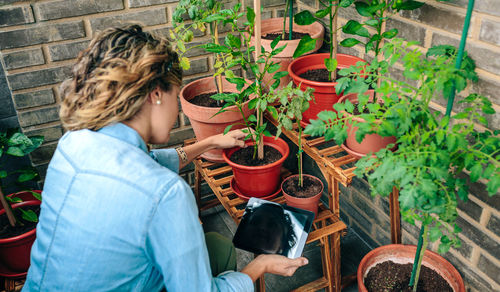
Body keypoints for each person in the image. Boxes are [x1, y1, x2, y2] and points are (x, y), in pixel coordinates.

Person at [22, 24, 307, 291]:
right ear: (157, 94)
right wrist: (259, 265)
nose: (179, 110)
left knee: (217, 247)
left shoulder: (72, 143)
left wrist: (208, 142)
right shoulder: (166, 195)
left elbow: (146, 164)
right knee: (220, 256)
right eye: (176, 96)